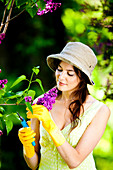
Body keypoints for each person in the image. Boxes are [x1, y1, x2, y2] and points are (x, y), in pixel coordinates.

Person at [18, 42, 111, 170]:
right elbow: (33, 165)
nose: (61, 77)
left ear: (82, 77)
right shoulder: (40, 102)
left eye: (70, 73)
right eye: (59, 70)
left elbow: (74, 161)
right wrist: (27, 145)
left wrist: (50, 125)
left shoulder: (99, 111)